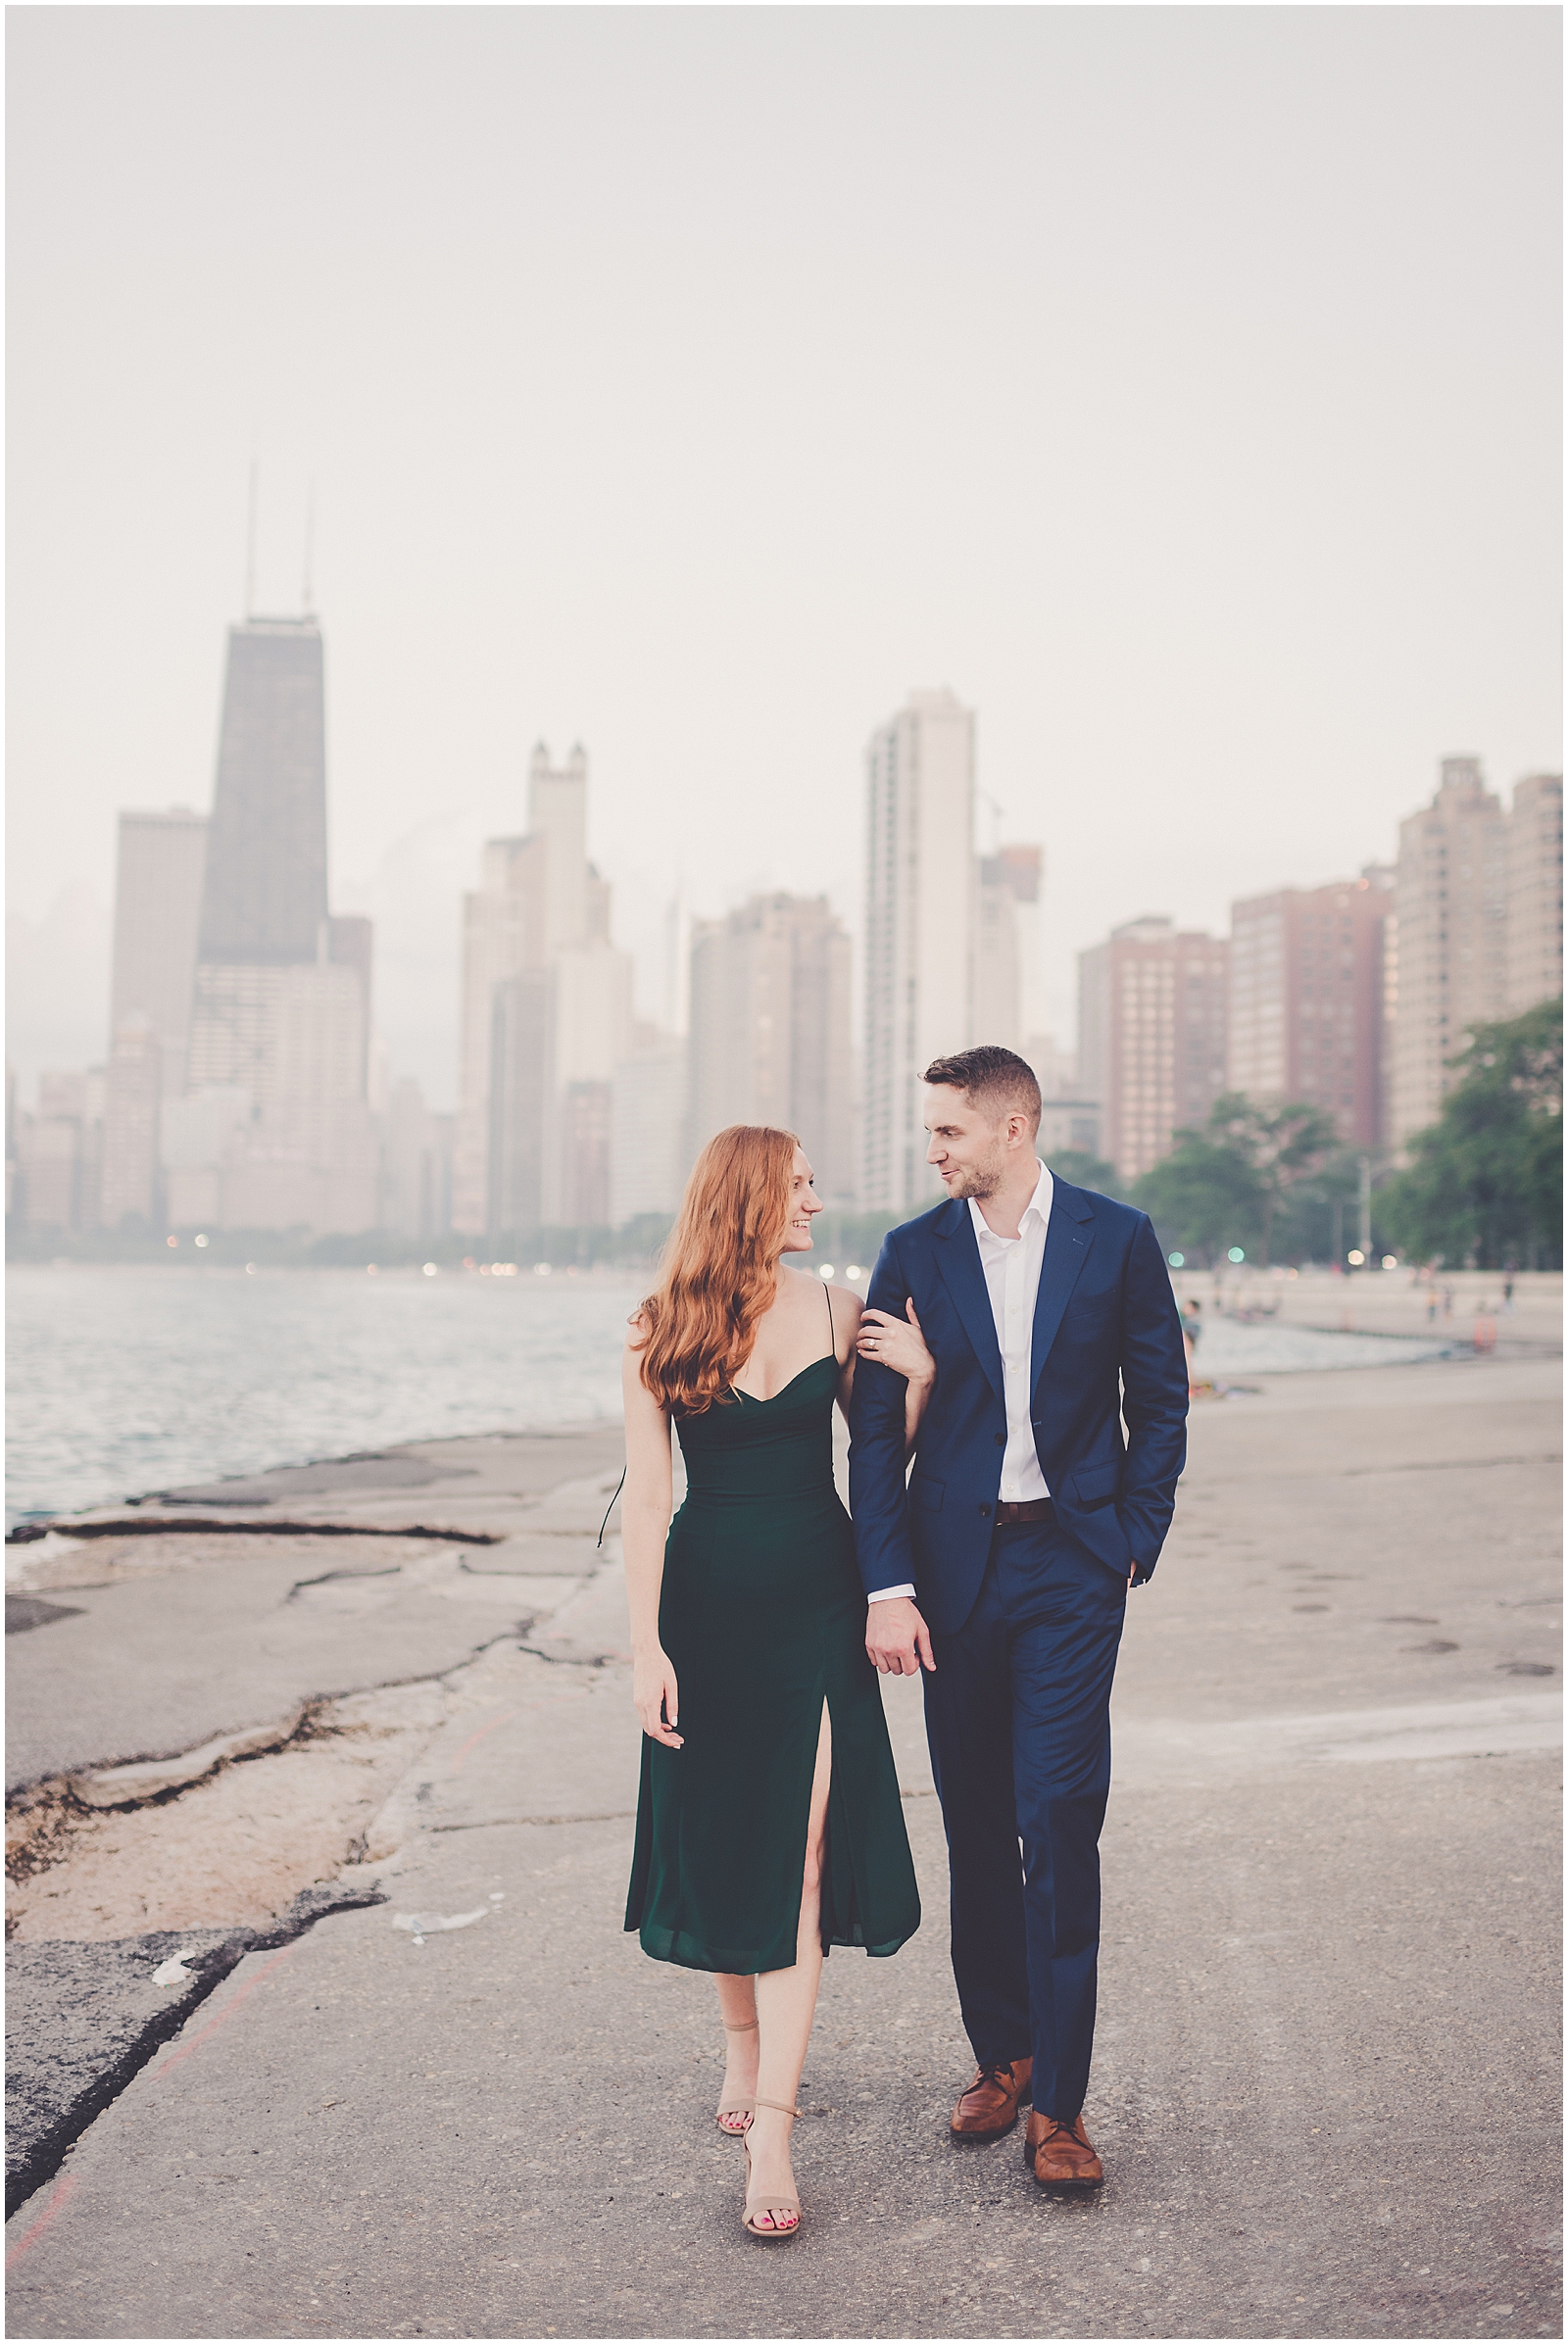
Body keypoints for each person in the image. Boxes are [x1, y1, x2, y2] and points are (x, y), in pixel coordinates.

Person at [850, 1046, 1188, 2190]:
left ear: (1012, 1126)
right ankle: (1004, 2053)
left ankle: (1062, 2107)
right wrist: (885, 1585)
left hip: (1070, 1566)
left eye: (948, 1130)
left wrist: (1134, 1536)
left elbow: (1161, 1392)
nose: (932, 1150)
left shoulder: (1115, 1236)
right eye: (930, 1131)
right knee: (977, 1824)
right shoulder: (910, 1251)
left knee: (1057, 1817)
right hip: (951, 1576)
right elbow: (869, 1435)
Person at [620, 1124, 925, 2240]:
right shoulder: (658, 1326)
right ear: (748, 1197)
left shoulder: (844, 1311)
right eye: (797, 1184)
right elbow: (648, 1501)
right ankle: (741, 2050)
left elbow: (883, 1464)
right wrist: (644, 1648)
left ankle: (778, 2137)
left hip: (816, 1608)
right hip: (703, 1614)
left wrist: (922, 1379)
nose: (814, 1198)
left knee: (797, 1854)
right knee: (728, 1842)